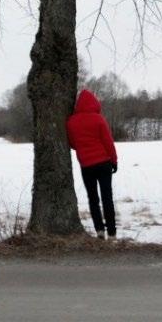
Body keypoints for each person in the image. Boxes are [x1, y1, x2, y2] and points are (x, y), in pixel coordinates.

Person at [66, 89, 118, 240]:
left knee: (93, 199)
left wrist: (84, 148)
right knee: (107, 197)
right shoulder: (99, 119)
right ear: (94, 103)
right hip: (104, 163)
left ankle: (99, 230)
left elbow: (72, 144)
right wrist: (114, 161)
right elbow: (108, 142)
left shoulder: (71, 122)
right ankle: (112, 233)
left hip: (86, 165)